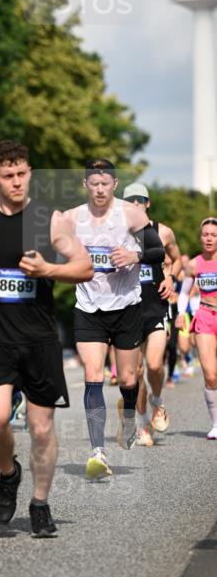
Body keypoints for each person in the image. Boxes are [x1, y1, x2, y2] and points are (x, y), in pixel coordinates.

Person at [0, 140, 93, 537]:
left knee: (42, 428)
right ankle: (9, 473)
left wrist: (48, 269)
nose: (16, 182)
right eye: (8, 176)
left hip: (39, 340)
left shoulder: (48, 220)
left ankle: (40, 503)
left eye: (22, 174)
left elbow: (85, 266)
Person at [63, 159, 166, 479]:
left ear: (115, 184)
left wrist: (134, 255)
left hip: (126, 307)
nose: (99, 188)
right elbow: (47, 249)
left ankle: (129, 417)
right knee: (93, 374)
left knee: (128, 380)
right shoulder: (71, 218)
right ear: (86, 185)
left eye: (105, 182)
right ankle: (98, 451)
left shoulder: (131, 214)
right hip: (88, 308)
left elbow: (157, 251)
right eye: (93, 183)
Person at [121, 182, 181, 445]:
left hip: (155, 307)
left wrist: (172, 278)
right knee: (134, 372)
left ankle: (158, 402)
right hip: (127, 310)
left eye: (139, 200)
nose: (135, 205)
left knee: (155, 365)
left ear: (148, 203)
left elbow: (176, 259)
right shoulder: (115, 233)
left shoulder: (162, 232)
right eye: (129, 201)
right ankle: (143, 423)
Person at [175, 217, 217, 439]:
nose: (209, 238)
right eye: (206, 234)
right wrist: (181, 313)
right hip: (204, 316)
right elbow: (183, 292)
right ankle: (216, 424)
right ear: (201, 237)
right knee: (210, 374)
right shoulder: (193, 264)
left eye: (213, 235)